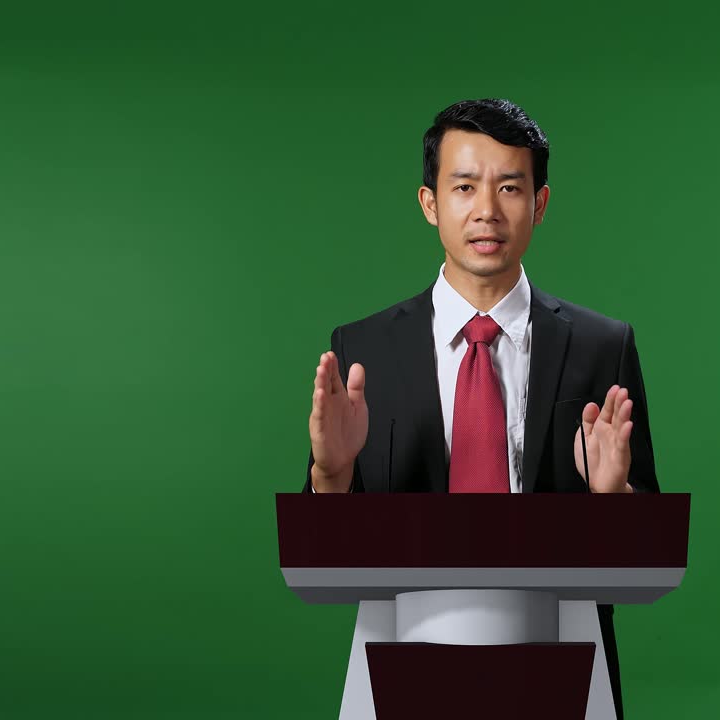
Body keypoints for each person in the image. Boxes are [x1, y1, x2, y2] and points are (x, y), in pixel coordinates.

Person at [304, 98, 660, 718]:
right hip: (400, 659)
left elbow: (647, 551)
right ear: (430, 204)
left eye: (510, 188)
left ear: (540, 205)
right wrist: (331, 474)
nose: (486, 211)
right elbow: (321, 564)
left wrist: (613, 502)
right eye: (464, 186)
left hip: (566, 666)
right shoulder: (363, 352)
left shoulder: (604, 347)